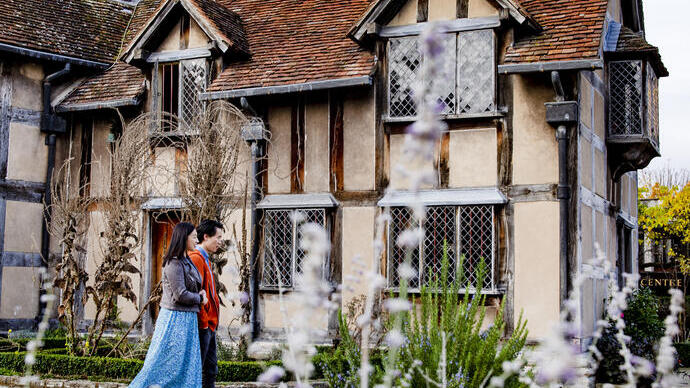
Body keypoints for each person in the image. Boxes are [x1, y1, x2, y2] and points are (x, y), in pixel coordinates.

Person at [129, 222, 208, 388]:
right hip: (175, 318)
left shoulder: (187, 260)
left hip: (187, 319)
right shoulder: (174, 263)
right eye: (193, 237)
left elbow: (194, 286)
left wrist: (200, 294)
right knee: (162, 363)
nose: (196, 239)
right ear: (183, 238)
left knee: (184, 364)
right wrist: (200, 299)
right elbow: (180, 294)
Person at [189, 219, 223, 388]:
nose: (220, 241)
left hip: (209, 324)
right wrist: (204, 324)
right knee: (199, 369)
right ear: (206, 237)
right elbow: (196, 293)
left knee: (210, 369)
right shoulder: (196, 259)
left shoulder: (206, 259)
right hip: (204, 325)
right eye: (218, 237)